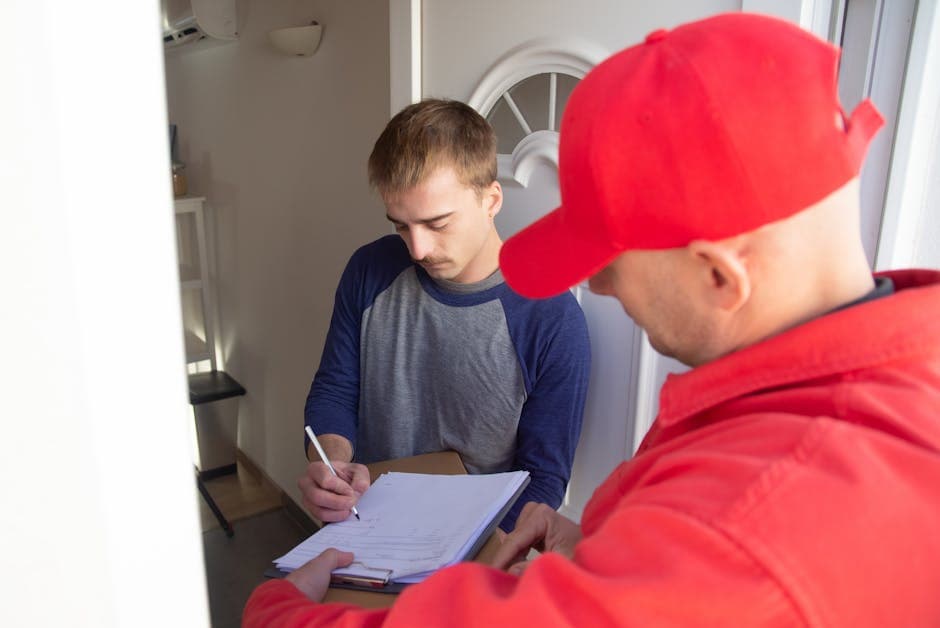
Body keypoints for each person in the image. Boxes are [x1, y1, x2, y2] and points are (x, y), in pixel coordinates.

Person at [245, 13, 940, 627]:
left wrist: (277, 611)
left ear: (720, 277)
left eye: (608, 256)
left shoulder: (751, 525)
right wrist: (597, 540)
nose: (598, 286)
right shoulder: (857, 390)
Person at [298, 98, 591, 533]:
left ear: (492, 199)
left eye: (437, 224)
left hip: (475, 547)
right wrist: (332, 463)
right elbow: (336, 390)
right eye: (400, 225)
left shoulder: (551, 318)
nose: (417, 249)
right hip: (365, 528)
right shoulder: (370, 269)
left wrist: (469, 557)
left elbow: (543, 478)